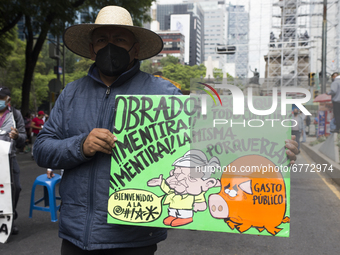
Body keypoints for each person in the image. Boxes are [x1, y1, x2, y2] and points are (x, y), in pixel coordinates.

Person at [33, 6, 298, 254]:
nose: (110, 46)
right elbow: (42, 149)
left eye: (120, 40)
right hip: (76, 237)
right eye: (102, 40)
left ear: (135, 49)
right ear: (92, 49)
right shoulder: (71, 94)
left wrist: (273, 151)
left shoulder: (164, 94)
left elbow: (210, 143)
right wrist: (80, 146)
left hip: (134, 237)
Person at [0, 86, 26, 235]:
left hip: (9, 158)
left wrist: (17, 137)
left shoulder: (15, 115)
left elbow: (23, 138)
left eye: (1, 98)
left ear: (8, 99)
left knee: (15, 188)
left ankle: (10, 218)